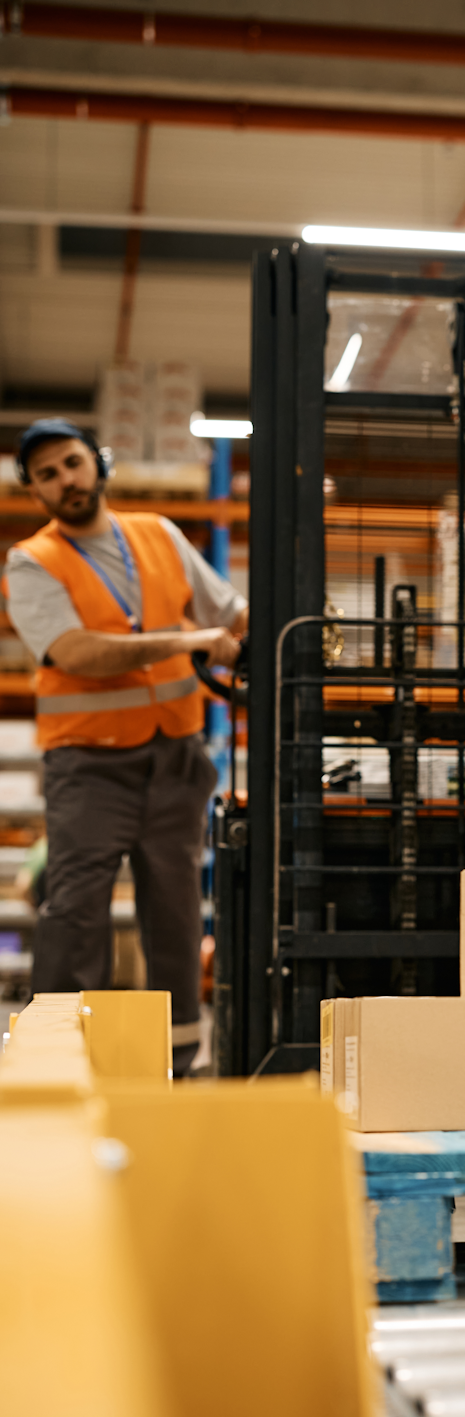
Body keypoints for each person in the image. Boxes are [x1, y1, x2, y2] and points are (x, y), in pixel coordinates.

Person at [3, 418, 247, 1075]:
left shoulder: (158, 534)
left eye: (72, 462)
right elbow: (75, 651)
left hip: (177, 755)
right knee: (75, 910)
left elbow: (230, 611)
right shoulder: (32, 561)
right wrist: (192, 641)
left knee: (172, 909)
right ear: (35, 492)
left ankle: (178, 1058)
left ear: (97, 462)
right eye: (47, 475)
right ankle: (56, 1060)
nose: (66, 479)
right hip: (89, 764)